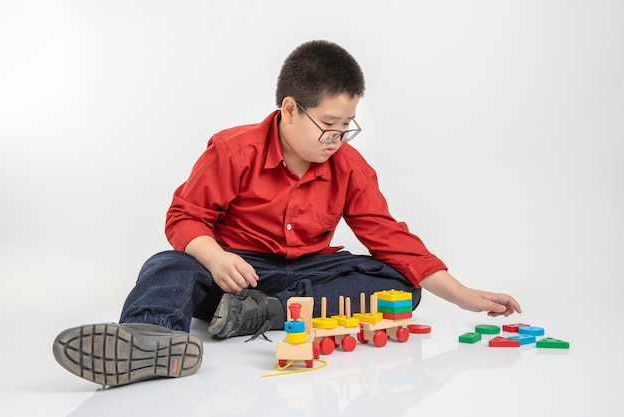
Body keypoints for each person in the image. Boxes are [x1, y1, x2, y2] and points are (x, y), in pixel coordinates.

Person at [53, 39, 521, 387]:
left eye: (347, 127)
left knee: (399, 285)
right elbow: (185, 217)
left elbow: (386, 235)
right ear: (290, 109)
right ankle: (149, 338)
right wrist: (215, 259)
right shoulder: (234, 150)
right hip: (236, 268)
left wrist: (461, 295)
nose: (337, 139)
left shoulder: (349, 166)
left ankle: (264, 315)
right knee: (167, 265)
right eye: (329, 126)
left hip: (307, 273)